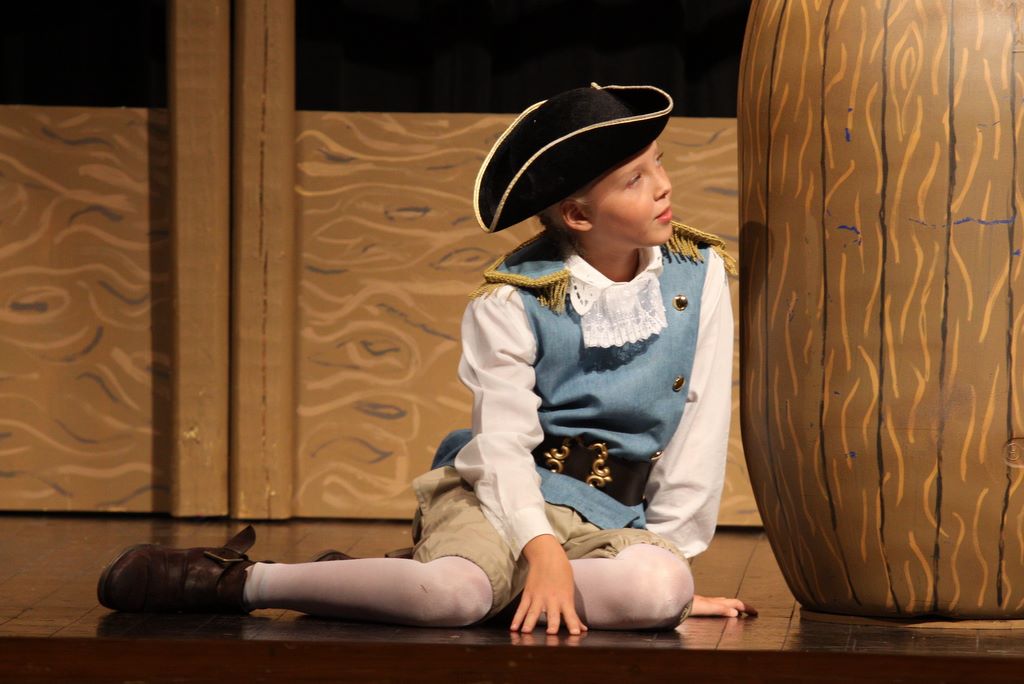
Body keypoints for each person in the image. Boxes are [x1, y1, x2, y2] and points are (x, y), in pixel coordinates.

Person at [97, 83, 754, 634]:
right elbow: (501, 446)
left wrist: (673, 559)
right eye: (636, 180)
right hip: (505, 497)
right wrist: (542, 550)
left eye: (659, 163)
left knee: (658, 591)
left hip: (609, 518)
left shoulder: (696, 276)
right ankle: (238, 580)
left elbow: (699, 427)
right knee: (454, 599)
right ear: (578, 215)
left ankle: (417, 586)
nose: (663, 187)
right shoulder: (511, 301)